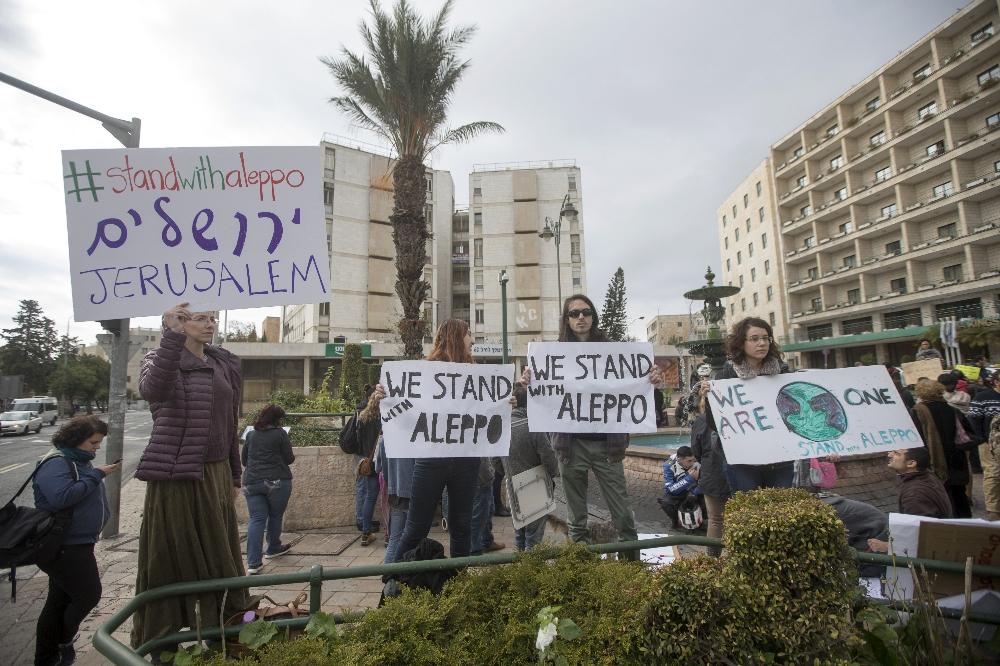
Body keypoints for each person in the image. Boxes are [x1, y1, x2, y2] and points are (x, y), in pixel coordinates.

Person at [130, 304, 249, 655]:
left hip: (215, 474)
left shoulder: (223, 362)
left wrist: (234, 472)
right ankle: (162, 644)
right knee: (169, 560)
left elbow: (230, 422)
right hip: (176, 478)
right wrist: (171, 337)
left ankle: (224, 634)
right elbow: (154, 390)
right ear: (181, 322)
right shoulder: (158, 357)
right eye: (201, 318)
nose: (210, 324)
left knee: (222, 558)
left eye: (212, 318)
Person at [524, 294, 662, 559]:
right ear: (566, 319)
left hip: (607, 446)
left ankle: (632, 574)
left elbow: (636, 389)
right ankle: (582, 577)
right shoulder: (553, 355)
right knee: (576, 521)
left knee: (623, 517)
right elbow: (544, 394)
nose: (580, 317)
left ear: (593, 316)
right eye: (574, 314)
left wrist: (651, 380)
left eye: (586, 312)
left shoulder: (614, 351)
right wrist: (530, 379)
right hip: (570, 446)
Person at [391, 319, 482, 561]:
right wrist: (386, 396)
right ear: (454, 337)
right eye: (468, 334)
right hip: (432, 458)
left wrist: (506, 403)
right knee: (416, 528)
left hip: (466, 459)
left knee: (462, 526)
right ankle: (391, 583)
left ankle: (458, 584)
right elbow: (407, 406)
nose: (472, 340)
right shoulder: (426, 371)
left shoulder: (475, 373)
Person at [33, 416, 119, 666]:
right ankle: (64, 642)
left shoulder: (78, 462)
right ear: (75, 439)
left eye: (99, 442)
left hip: (78, 543)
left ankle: (47, 657)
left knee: (59, 601)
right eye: (93, 442)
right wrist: (96, 475)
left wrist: (94, 474)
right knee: (88, 595)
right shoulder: (56, 463)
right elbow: (62, 497)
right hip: (64, 546)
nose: (97, 447)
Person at [709, 317, 794, 491]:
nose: (762, 343)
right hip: (742, 461)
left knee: (782, 509)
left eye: (766, 338)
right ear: (741, 343)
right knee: (748, 511)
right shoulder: (725, 377)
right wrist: (708, 400)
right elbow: (714, 423)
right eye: (754, 339)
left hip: (780, 457)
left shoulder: (784, 374)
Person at [867, 447, 952, 553]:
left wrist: (888, 547)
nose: (890, 455)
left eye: (897, 453)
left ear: (911, 463)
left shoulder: (915, 494)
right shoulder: (926, 476)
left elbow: (922, 536)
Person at [242, 404, 295, 575]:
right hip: (276, 481)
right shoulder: (280, 434)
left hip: (252, 482)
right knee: (275, 515)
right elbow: (289, 458)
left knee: (256, 519)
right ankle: (273, 548)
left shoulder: (250, 435)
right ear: (277, 420)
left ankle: (253, 563)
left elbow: (244, 460)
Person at [912, 380, 974, 518]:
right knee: (959, 495)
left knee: (940, 497)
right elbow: (967, 434)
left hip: (934, 460)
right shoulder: (952, 410)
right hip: (956, 458)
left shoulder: (917, 411)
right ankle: (966, 525)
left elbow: (917, 438)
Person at [508, 385, 559, 551]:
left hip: (512, 486)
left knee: (520, 534)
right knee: (534, 538)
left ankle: (520, 569)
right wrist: (553, 474)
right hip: (536, 484)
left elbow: (494, 460)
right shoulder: (533, 426)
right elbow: (548, 456)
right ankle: (531, 573)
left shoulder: (502, 427)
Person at [688, 381, 730, 557]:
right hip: (737, 471)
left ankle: (713, 562)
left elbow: (695, 451)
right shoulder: (733, 416)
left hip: (712, 474)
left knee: (715, 519)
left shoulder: (701, 420)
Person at [376, 434, 415, 563]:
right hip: (414, 492)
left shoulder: (386, 438)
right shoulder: (417, 436)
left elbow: (378, 468)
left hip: (394, 491)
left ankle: (388, 577)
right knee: (415, 539)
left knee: (394, 538)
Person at [969, 371, 1000, 520]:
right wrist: (982, 440)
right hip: (989, 444)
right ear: (996, 382)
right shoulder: (982, 398)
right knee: (993, 474)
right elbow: (974, 421)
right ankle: (993, 509)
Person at [355, 388, 383, 546]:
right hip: (383, 461)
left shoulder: (363, 417)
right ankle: (389, 534)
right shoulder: (385, 418)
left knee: (370, 497)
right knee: (389, 498)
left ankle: (366, 532)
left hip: (367, 461)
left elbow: (358, 440)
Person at [657, 446, 705, 530]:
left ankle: (699, 521)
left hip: (694, 492)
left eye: (693, 460)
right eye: (689, 461)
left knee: (707, 498)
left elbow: (704, 482)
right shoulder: (668, 466)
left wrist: (694, 492)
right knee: (666, 502)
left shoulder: (697, 461)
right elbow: (670, 489)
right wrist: (690, 478)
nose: (692, 463)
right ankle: (676, 522)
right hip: (679, 494)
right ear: (679, 459)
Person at [469, 457, 504, 555]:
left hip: (485, 481)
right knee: (478, 517)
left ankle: (487, 542)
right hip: (480, 482)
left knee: (488, 512)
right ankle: (474, 549)